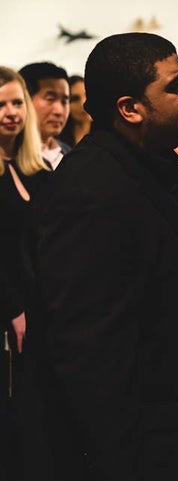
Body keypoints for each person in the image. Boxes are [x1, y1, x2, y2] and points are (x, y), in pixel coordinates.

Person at [21, 33, 178, 481]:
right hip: (143, 455)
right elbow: (89, 353)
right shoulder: (91, 189)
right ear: (130, 108)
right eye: (175, 85)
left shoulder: (150, 171)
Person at [0, 65, 50, 481]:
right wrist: (13, 308)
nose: (11, 111)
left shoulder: (25, 167)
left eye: (17, 102)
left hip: (34, 313)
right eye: (0, 104)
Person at [18, 62, 70, 170]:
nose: (59, 111)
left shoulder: (69, 154)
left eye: (64, 101)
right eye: (50, 99)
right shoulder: (11, 156)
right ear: (25, 100)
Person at [58, 75, 92, 147]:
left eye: (88, 95)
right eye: (75, 99)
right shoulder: (58, 141)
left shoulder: (109, 135)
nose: (83, 103)